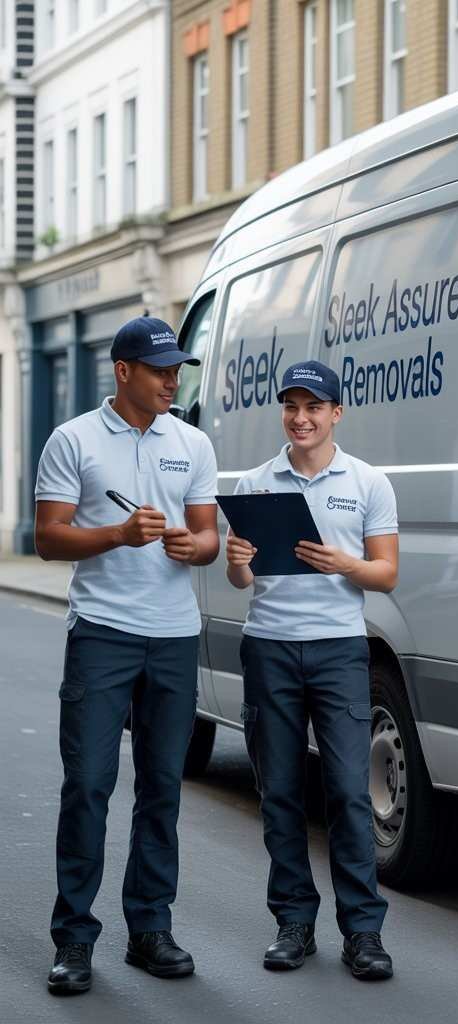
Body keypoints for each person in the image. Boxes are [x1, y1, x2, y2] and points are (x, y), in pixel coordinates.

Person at [35, 315, 220, 996]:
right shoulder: (72, 439)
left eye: (177, 370)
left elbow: (208, 538)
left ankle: (150, 930)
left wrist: (193, 547)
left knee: (162, 788)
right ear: (123, 371)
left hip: (174, 636)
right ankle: (74, 939)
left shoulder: (193, 443)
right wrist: (117, 533)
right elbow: (48, 538)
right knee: (88, 785)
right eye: (160, 370)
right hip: (102, 633)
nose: (172, 381)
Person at [225, 360, 398, 980]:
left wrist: (343, 564)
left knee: (349, 792)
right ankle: (293, 923)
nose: (301, 419)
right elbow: (241, 579)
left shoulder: (369, 482)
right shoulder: (253, 484)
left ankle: (363, 932)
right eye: (292, 407)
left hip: (339, 651)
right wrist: (238, 560)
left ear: (336, 413)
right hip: (269, 647)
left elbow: (386, 573)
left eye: (314, 408)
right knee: (279, 793)